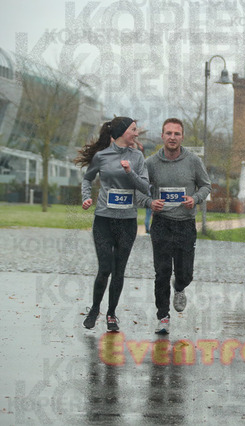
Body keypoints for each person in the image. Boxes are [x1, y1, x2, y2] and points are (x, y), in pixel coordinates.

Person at [137, 118, 211, 335]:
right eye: (168, 133)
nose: (172, 137)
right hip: (161, 224)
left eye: (176, 134)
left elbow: (206, 186)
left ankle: (179, 287)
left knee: (185, 273)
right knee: (161, 272)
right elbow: (139, 191)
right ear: (162, 136)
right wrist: (150, 203)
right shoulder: (151, 163)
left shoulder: (193, 161)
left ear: (182, 137)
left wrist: (195, 199)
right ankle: (163, 317)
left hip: (185, 224)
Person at [75, 116, 150, 332]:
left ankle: (111, 314)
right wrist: (86, 197)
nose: (136, 133)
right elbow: (87, 178)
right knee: (105, 268)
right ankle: (94, 309)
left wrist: (129, 172)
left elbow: (145, 187)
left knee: (118, 270)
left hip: (127, 223)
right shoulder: (101, 156)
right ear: (122, 132)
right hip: (104, 220)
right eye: (133, 129)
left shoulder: (137, 157)